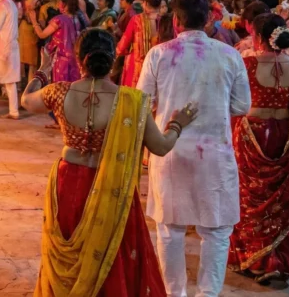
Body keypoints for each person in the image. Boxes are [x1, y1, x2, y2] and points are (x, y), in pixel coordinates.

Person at [21, 28, 195, 295]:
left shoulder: (58, 92)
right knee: (112, 254)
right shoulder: (132, 101)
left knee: (68, 243)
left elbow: (26, 100)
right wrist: (177, 124)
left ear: (79, 60)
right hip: (112, 186)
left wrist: (43, 71)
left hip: (69, 184)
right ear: (113, 60)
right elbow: (161, 147)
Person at [136, 0, 251, 297]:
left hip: (170, 150)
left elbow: (141, 103)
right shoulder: (230, 55)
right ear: (210, 19)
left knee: (170, 231)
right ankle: (207, 294)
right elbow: (242, 105)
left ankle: (174, 294)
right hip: (215, 154)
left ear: (176, 20)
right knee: (216, 232)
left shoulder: (159, 54)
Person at [229, 14, 289, 283]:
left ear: (257, 37)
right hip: (287, 137)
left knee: (250, 198)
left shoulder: (246, 65)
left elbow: (233, 104)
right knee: (282, 198)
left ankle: (256, 261)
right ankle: (278, 260)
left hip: (252, 136)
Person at [30, 0, 82, 84]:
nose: (58, 5)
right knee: (72, 85)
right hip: (74, 57)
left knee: (59, 86)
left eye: (59, 3)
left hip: (61, 58)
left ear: (64, 5)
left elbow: (42, 35)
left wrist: (34, 21)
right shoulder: (76, 19)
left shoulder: (59, 20)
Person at [116, 0, 162, 87]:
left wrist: (119, 52)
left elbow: (123, 45)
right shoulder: (164, 21)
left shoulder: (136, 20)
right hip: (159, 66)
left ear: (145, 3)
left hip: (137, 65)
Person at [18, 0, 40, 85]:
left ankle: (27, 85)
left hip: (30, 32)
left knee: (29, 61)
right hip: (25, 32)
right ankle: (24, 84)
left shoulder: (33, 2)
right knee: (24, 61)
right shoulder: (24, 3)